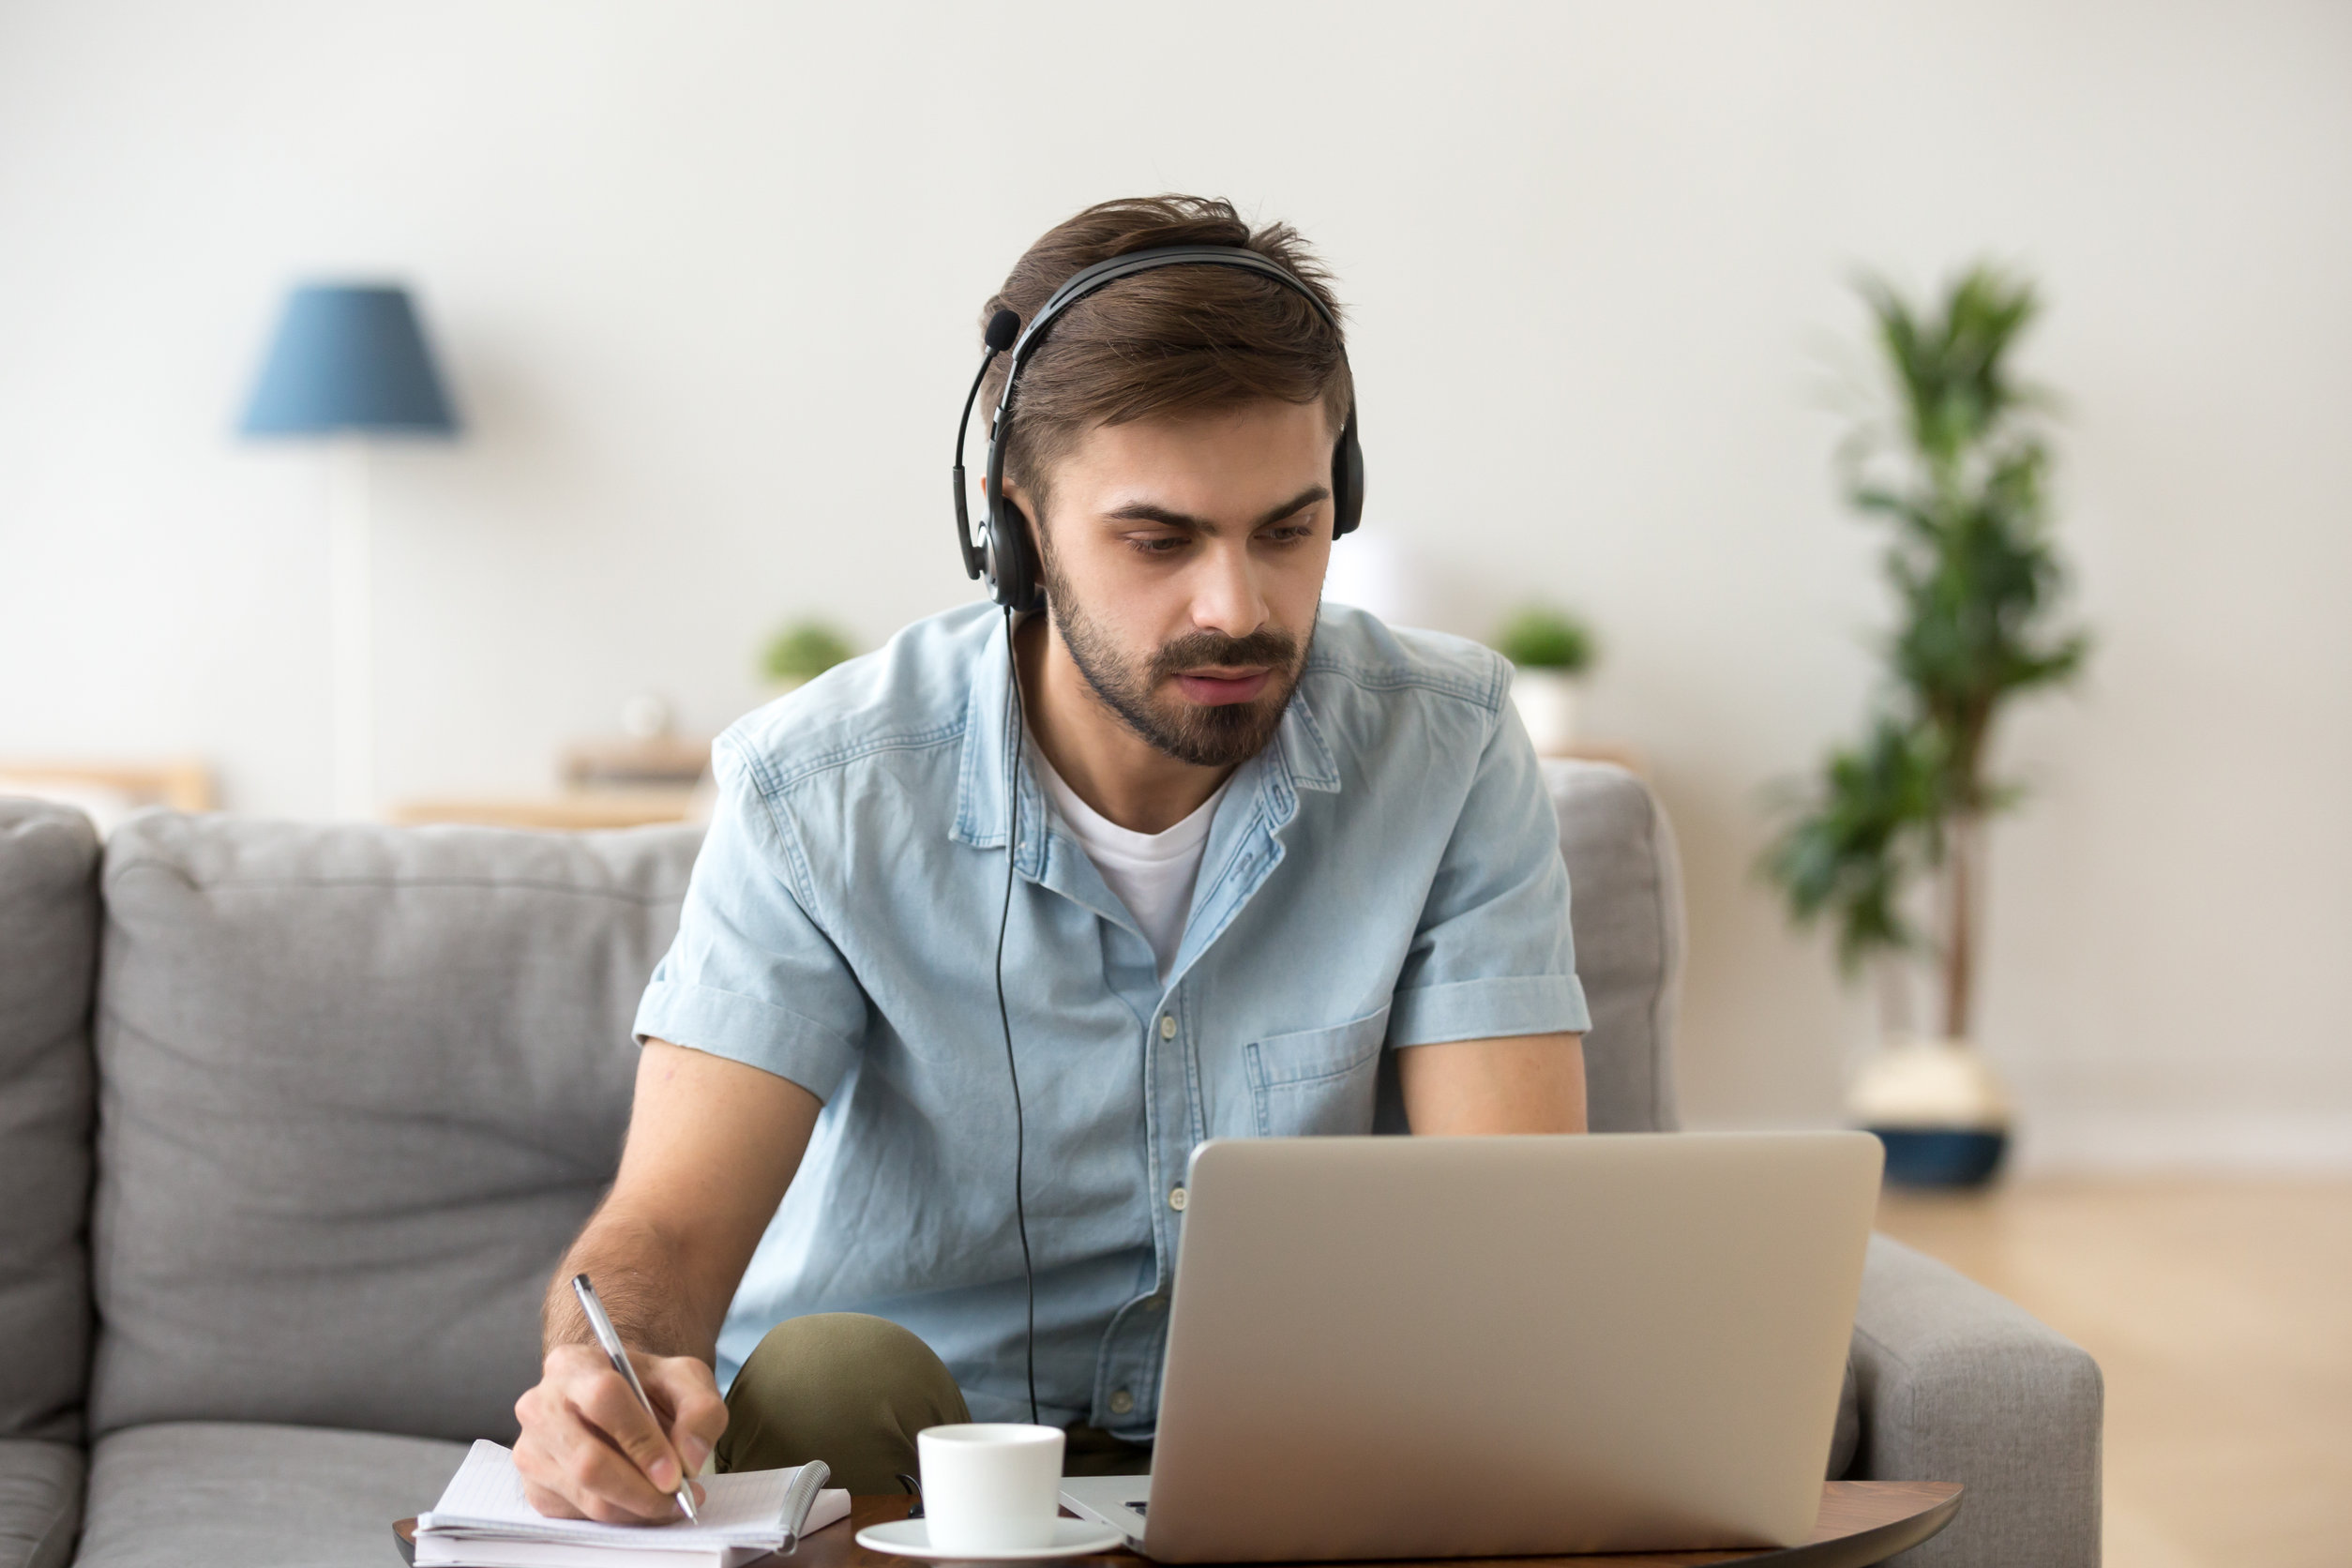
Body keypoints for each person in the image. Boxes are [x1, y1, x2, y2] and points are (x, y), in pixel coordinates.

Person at [513, 193, 1591, 1522]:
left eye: (1289, 530)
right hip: (906, 1460)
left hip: (1287, 1460)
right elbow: (669, 1237)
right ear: (1013, 525)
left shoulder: (1452, 747)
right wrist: (600, 1376)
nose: (1237, 608)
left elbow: (1518, 1227)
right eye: (1158, 540)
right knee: (831, 1371)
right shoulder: (817, 792)